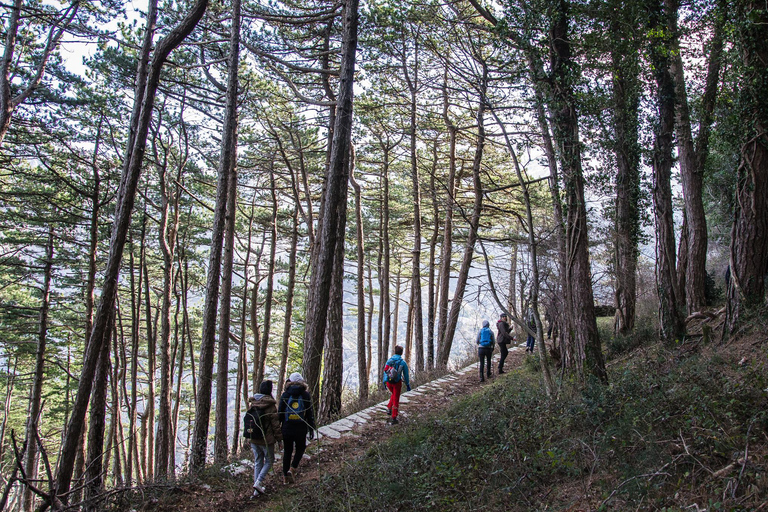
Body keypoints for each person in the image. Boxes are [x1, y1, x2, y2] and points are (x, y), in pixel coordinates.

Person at [244, 380, 283, 497]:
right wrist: (280, 439)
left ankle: (256, 489)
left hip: (253, 438)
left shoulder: (254, 403)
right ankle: (259, 482)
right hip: (266, 439)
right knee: (270, 460)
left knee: (258, 461)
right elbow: (275, 425)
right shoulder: (270, 406)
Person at [278, 372, 315, 484]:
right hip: (301, 427)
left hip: (287, 427)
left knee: (287, 451)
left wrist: (279, 428)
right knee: (301, 448)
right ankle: (293, 468)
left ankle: (285, 478)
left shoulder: (285, 395)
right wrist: (311, 427)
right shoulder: (305, 395)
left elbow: (280, 413)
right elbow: (309, 413)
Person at [383, 345, 411, 425]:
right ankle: (394, 417)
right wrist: (408, 384)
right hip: (397, 383)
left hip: (389, 382)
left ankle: (389, 408)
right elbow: (406, 375)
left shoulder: (389, 361)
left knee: (394, 395)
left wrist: (384, 382)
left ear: (395, 352)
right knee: (396, 398)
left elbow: (385, 372)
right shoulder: (403, 363)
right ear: (401, 353)